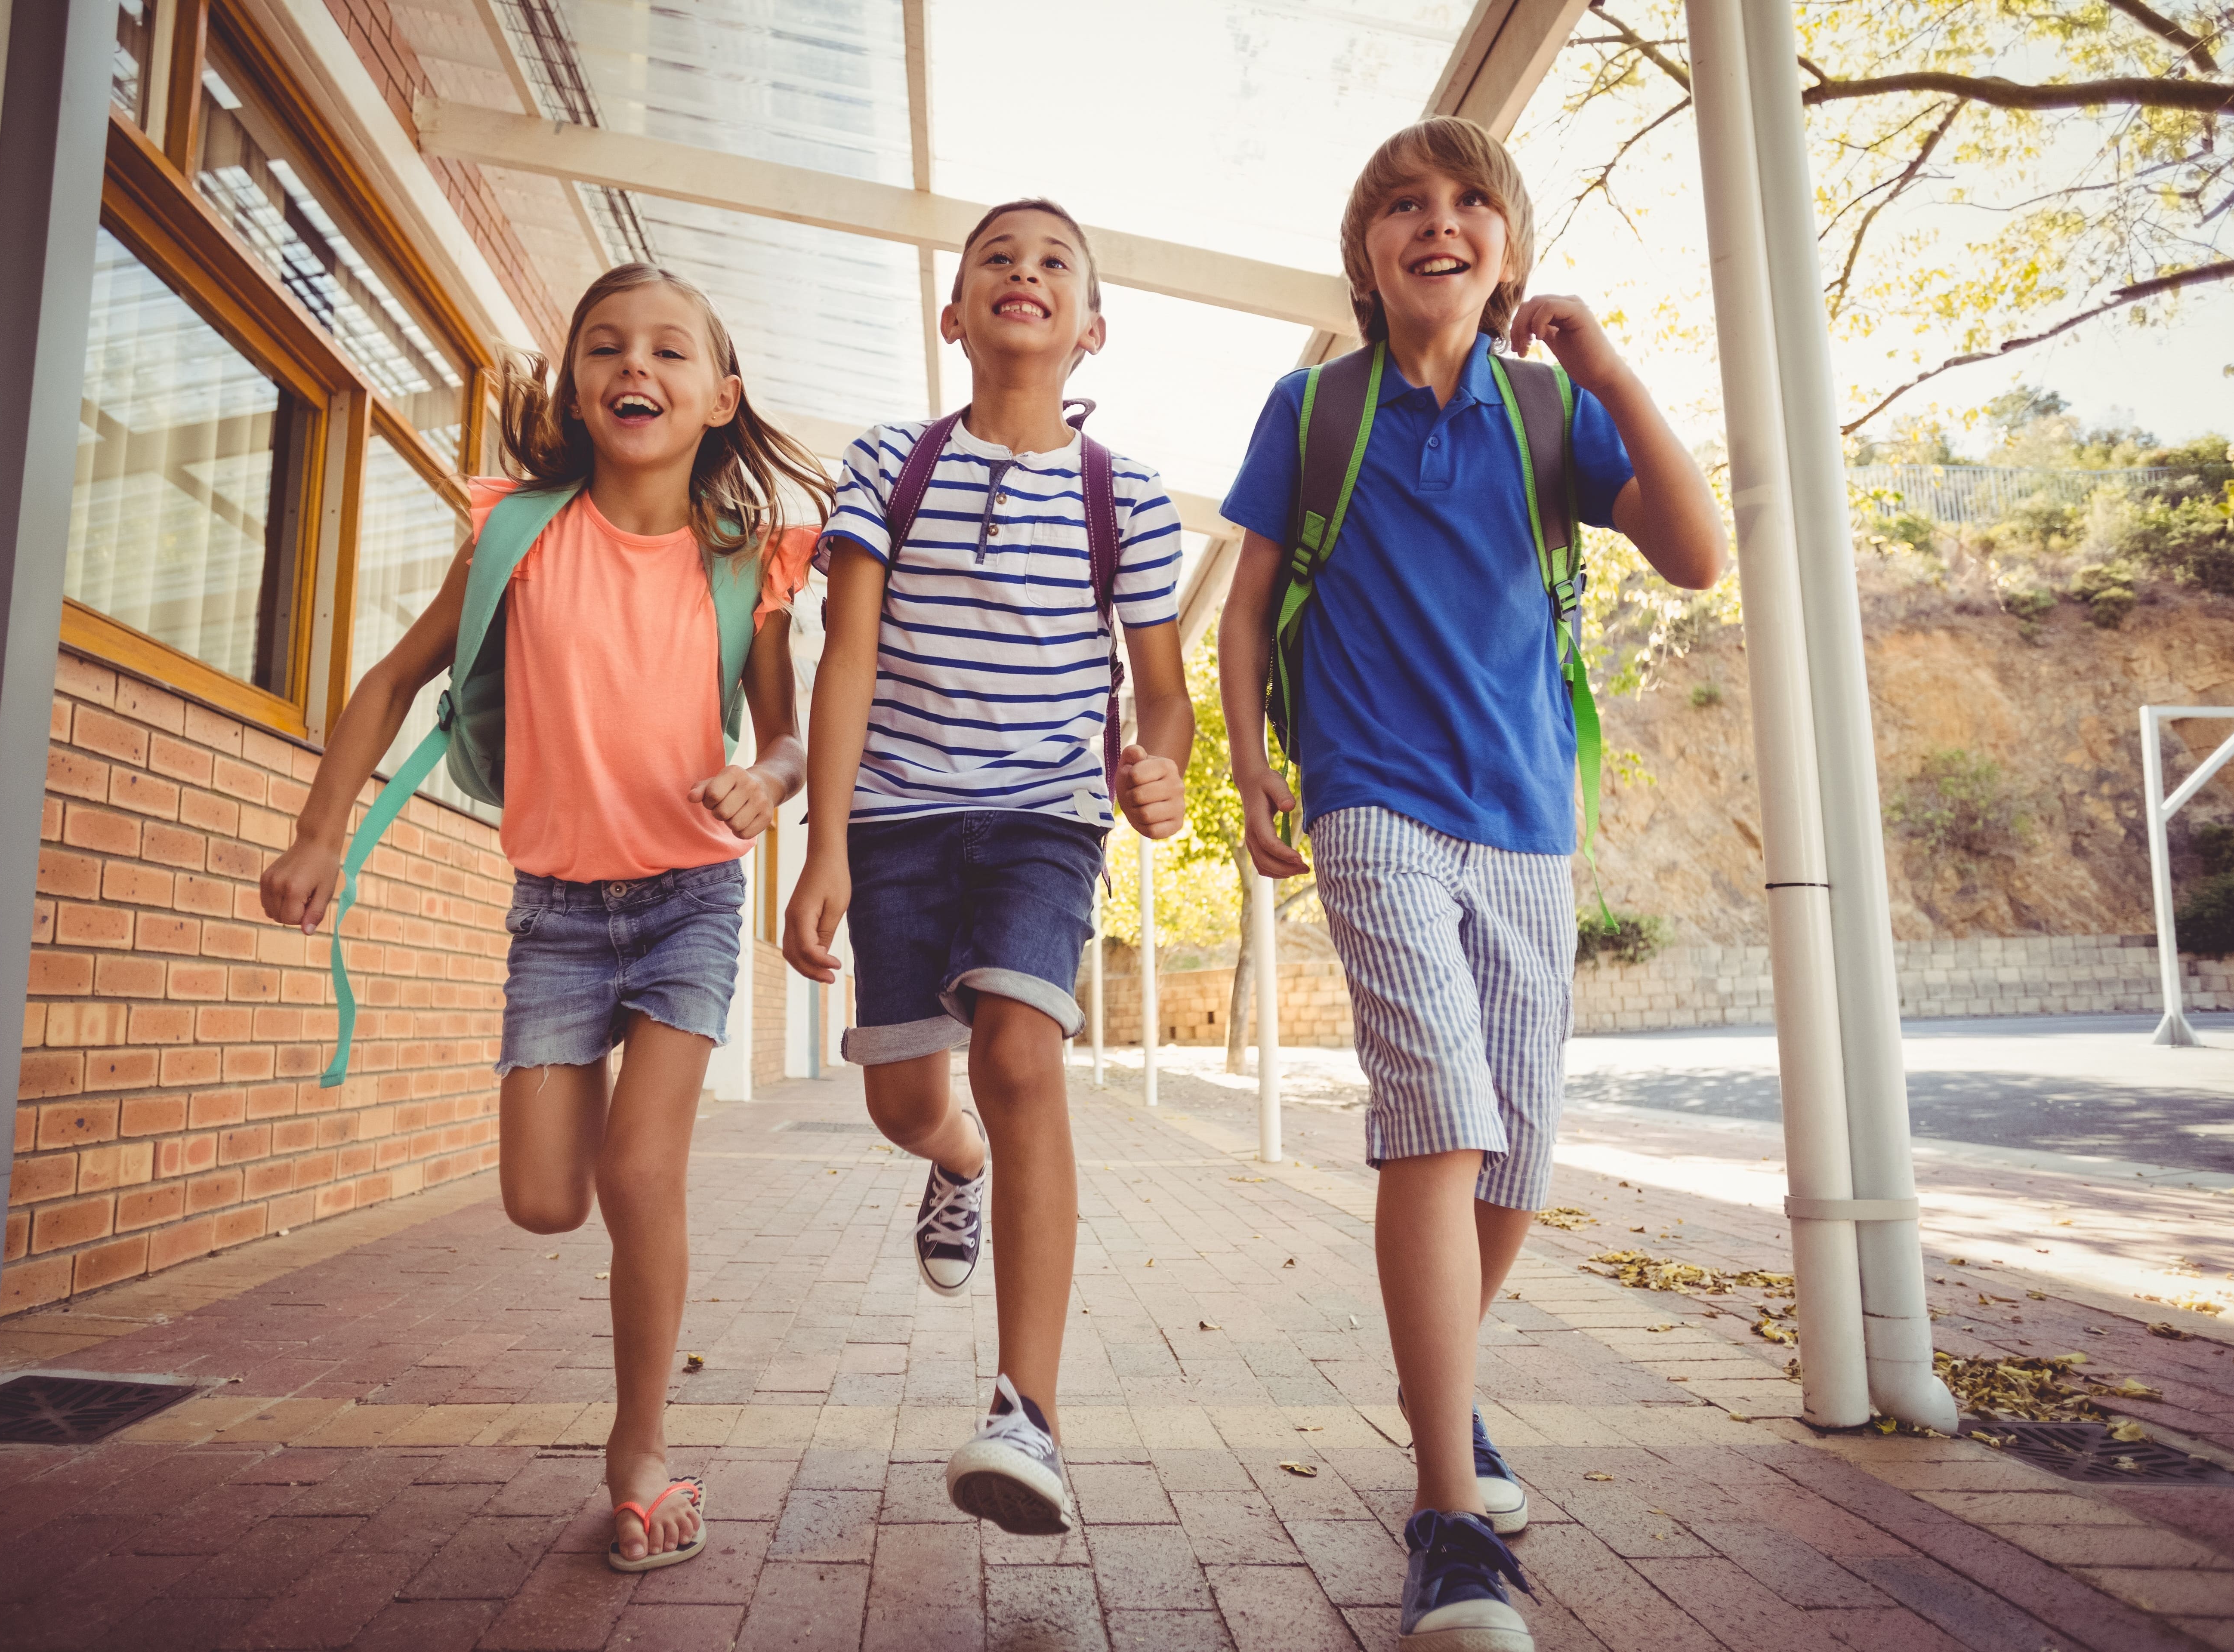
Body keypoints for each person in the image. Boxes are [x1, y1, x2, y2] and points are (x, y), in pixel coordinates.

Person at [1215, 121, 1725, 1650]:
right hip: (1374, 800)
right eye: (1404, 208)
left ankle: (1442, 1383)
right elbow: (1246, 612)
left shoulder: (1554, 411)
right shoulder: (1315, 407)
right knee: (1438, 1111)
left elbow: (1697, 559)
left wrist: (1614, 368)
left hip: (1527, 816)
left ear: (1506, 242)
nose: (1439, 223)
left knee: (1518, 1148)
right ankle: (1450, 1513)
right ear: (1366, 254)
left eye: (1469, 203)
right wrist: (1254, 768)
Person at [259, 264, 830, 1575]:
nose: (639, 366)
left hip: (689, 893)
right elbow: (394, 678)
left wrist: (766, 782)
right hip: (558, 913)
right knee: (540, 1202)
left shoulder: (743, 559)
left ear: (719, 395)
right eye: (608, 347)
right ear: (577, 384)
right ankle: (629, 1396)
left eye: (672, 351)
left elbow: (790, 738)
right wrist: (318, 833)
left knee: (641, 1175)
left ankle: (639, 1448)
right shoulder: (514, 534)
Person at [783, 199, 1194, 1535]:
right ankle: (951, 1162)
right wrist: (826, 843)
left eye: (1056, 262)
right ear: (954, 314)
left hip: (1041, 818)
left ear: (1092, 329)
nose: (1026, 274)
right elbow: (844, 658)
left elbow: (1163, 693)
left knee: (1020, 1054)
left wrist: (1162, 769)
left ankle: (1030, 1412)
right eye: (996, 261)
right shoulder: (888, 461)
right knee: (908, 1097)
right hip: (897, 818)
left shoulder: (1125, 494)